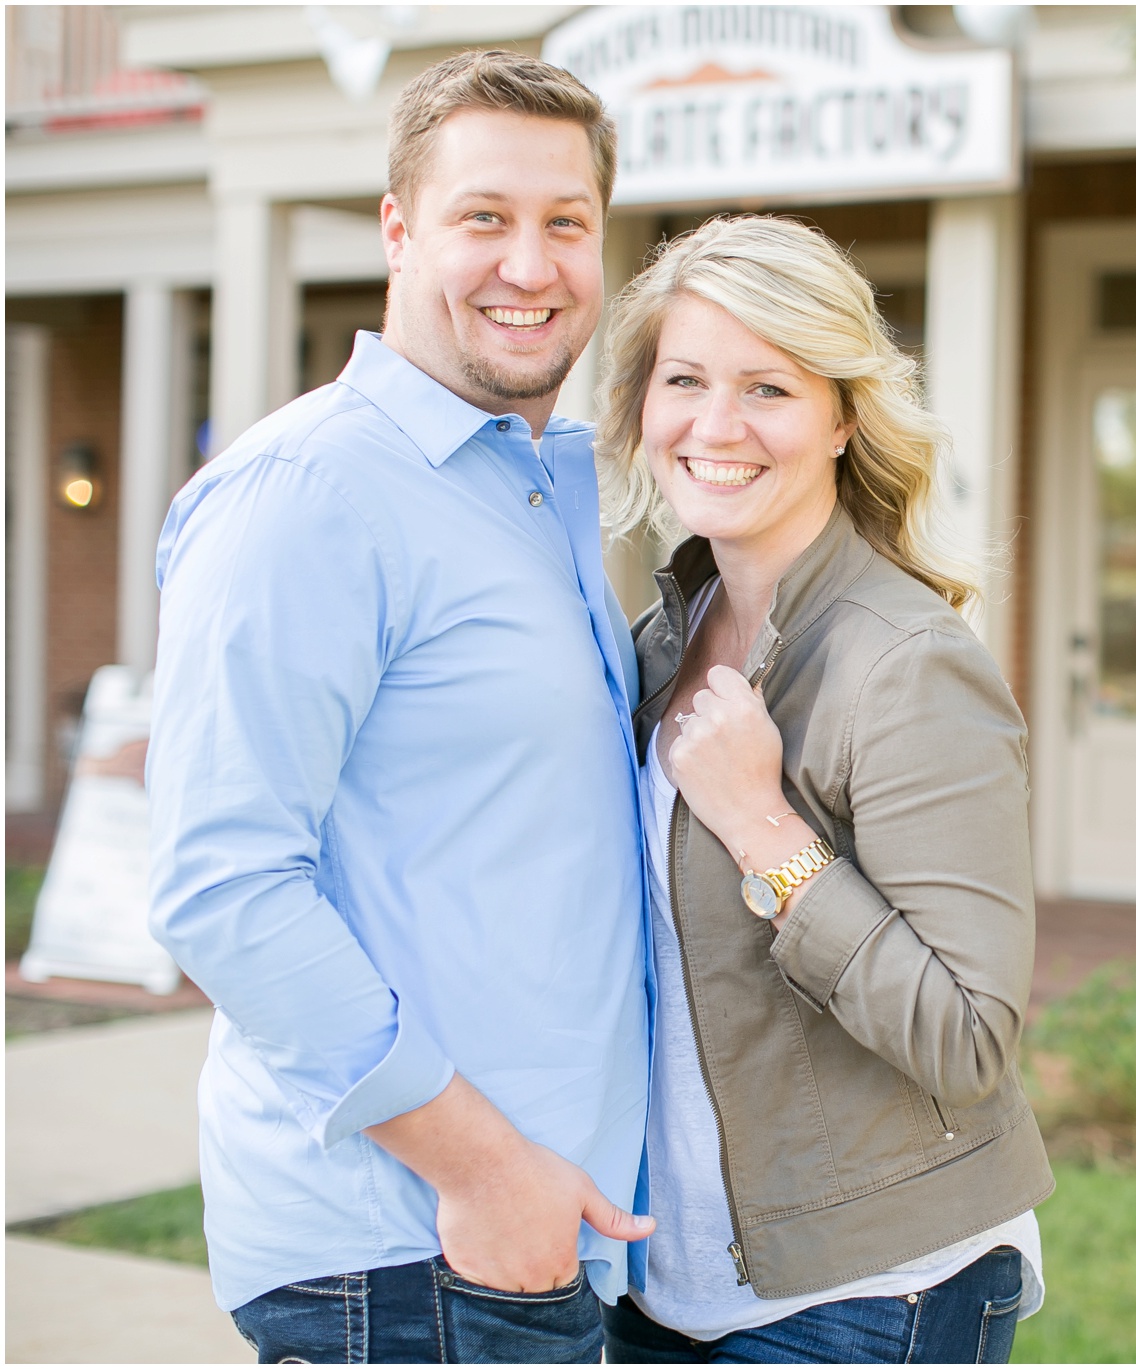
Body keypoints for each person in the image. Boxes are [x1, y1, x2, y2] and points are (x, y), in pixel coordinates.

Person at [148, 51, 652, 1364]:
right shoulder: (310, 496)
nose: (530, 265)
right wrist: (485, 1174)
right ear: (397, 228)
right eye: (483, 217)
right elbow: (222, 886)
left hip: (528, 1251)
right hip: (410, 1260)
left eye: (566, 224)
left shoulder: (532, 490)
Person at [591, 215, 1055, 1364]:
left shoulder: (907, 663)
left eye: (768, 388)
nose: (715, 425)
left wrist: (765, 830)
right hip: (674, 1279)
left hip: (868, 1292)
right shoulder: (662, 639)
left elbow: (967, 1034)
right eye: (685, 379)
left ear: (842, 416)